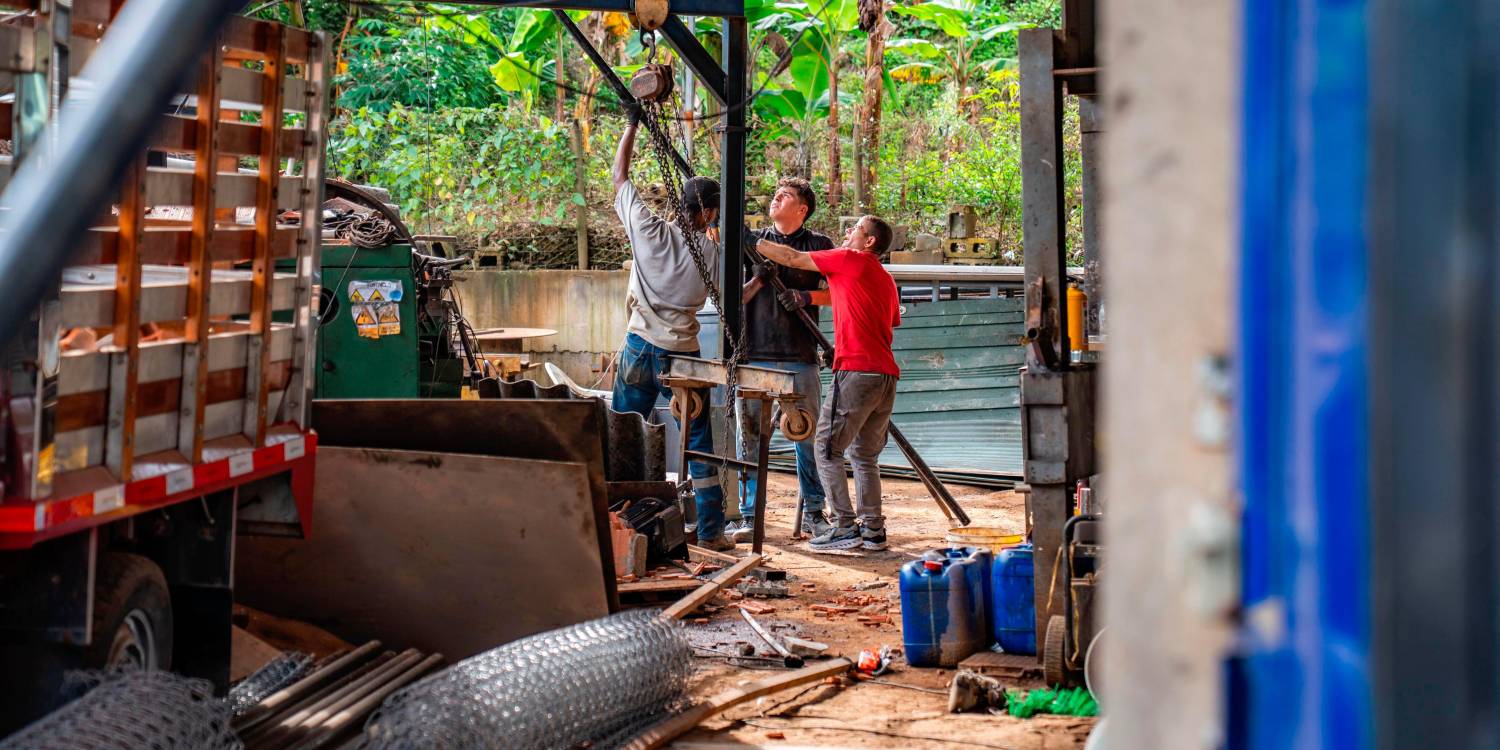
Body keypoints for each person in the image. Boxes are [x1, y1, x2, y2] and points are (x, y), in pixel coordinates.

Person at [609, 110, 735, 552]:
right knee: (698, 439)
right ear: (712, 212)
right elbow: (738, 295)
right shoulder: (713, 255)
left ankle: (625, 524)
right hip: (684, 353)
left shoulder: (647, 229)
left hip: (640, 346)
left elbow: (620, 175)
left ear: (679, 205)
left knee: (626, 430)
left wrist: (632, 124)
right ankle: (712, 532)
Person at [755, 216, 900, 552]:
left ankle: (845, 526)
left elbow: (792, 258)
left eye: (856, 230)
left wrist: (753, 242)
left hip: (856, 371)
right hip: (885, 375)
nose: (848, 232)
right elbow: (889, 318)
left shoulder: (849, 259)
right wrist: (808, 298)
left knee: (826, 448)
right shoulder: (885, 278)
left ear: (869, 242)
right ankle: (873, 531)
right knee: (864, 456)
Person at [724, 178, 836, 543]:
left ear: (802, 209)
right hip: (754, 353)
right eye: (776, 194)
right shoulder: (749, 242)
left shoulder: (819, 246)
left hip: (800, 355)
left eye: (785, 196)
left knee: (806, 436)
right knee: (751, 440)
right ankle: (749, 516)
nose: (776, 198)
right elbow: (731, 300)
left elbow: (835, 295)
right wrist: (757, 280)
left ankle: (815, 513)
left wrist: (805, 298)